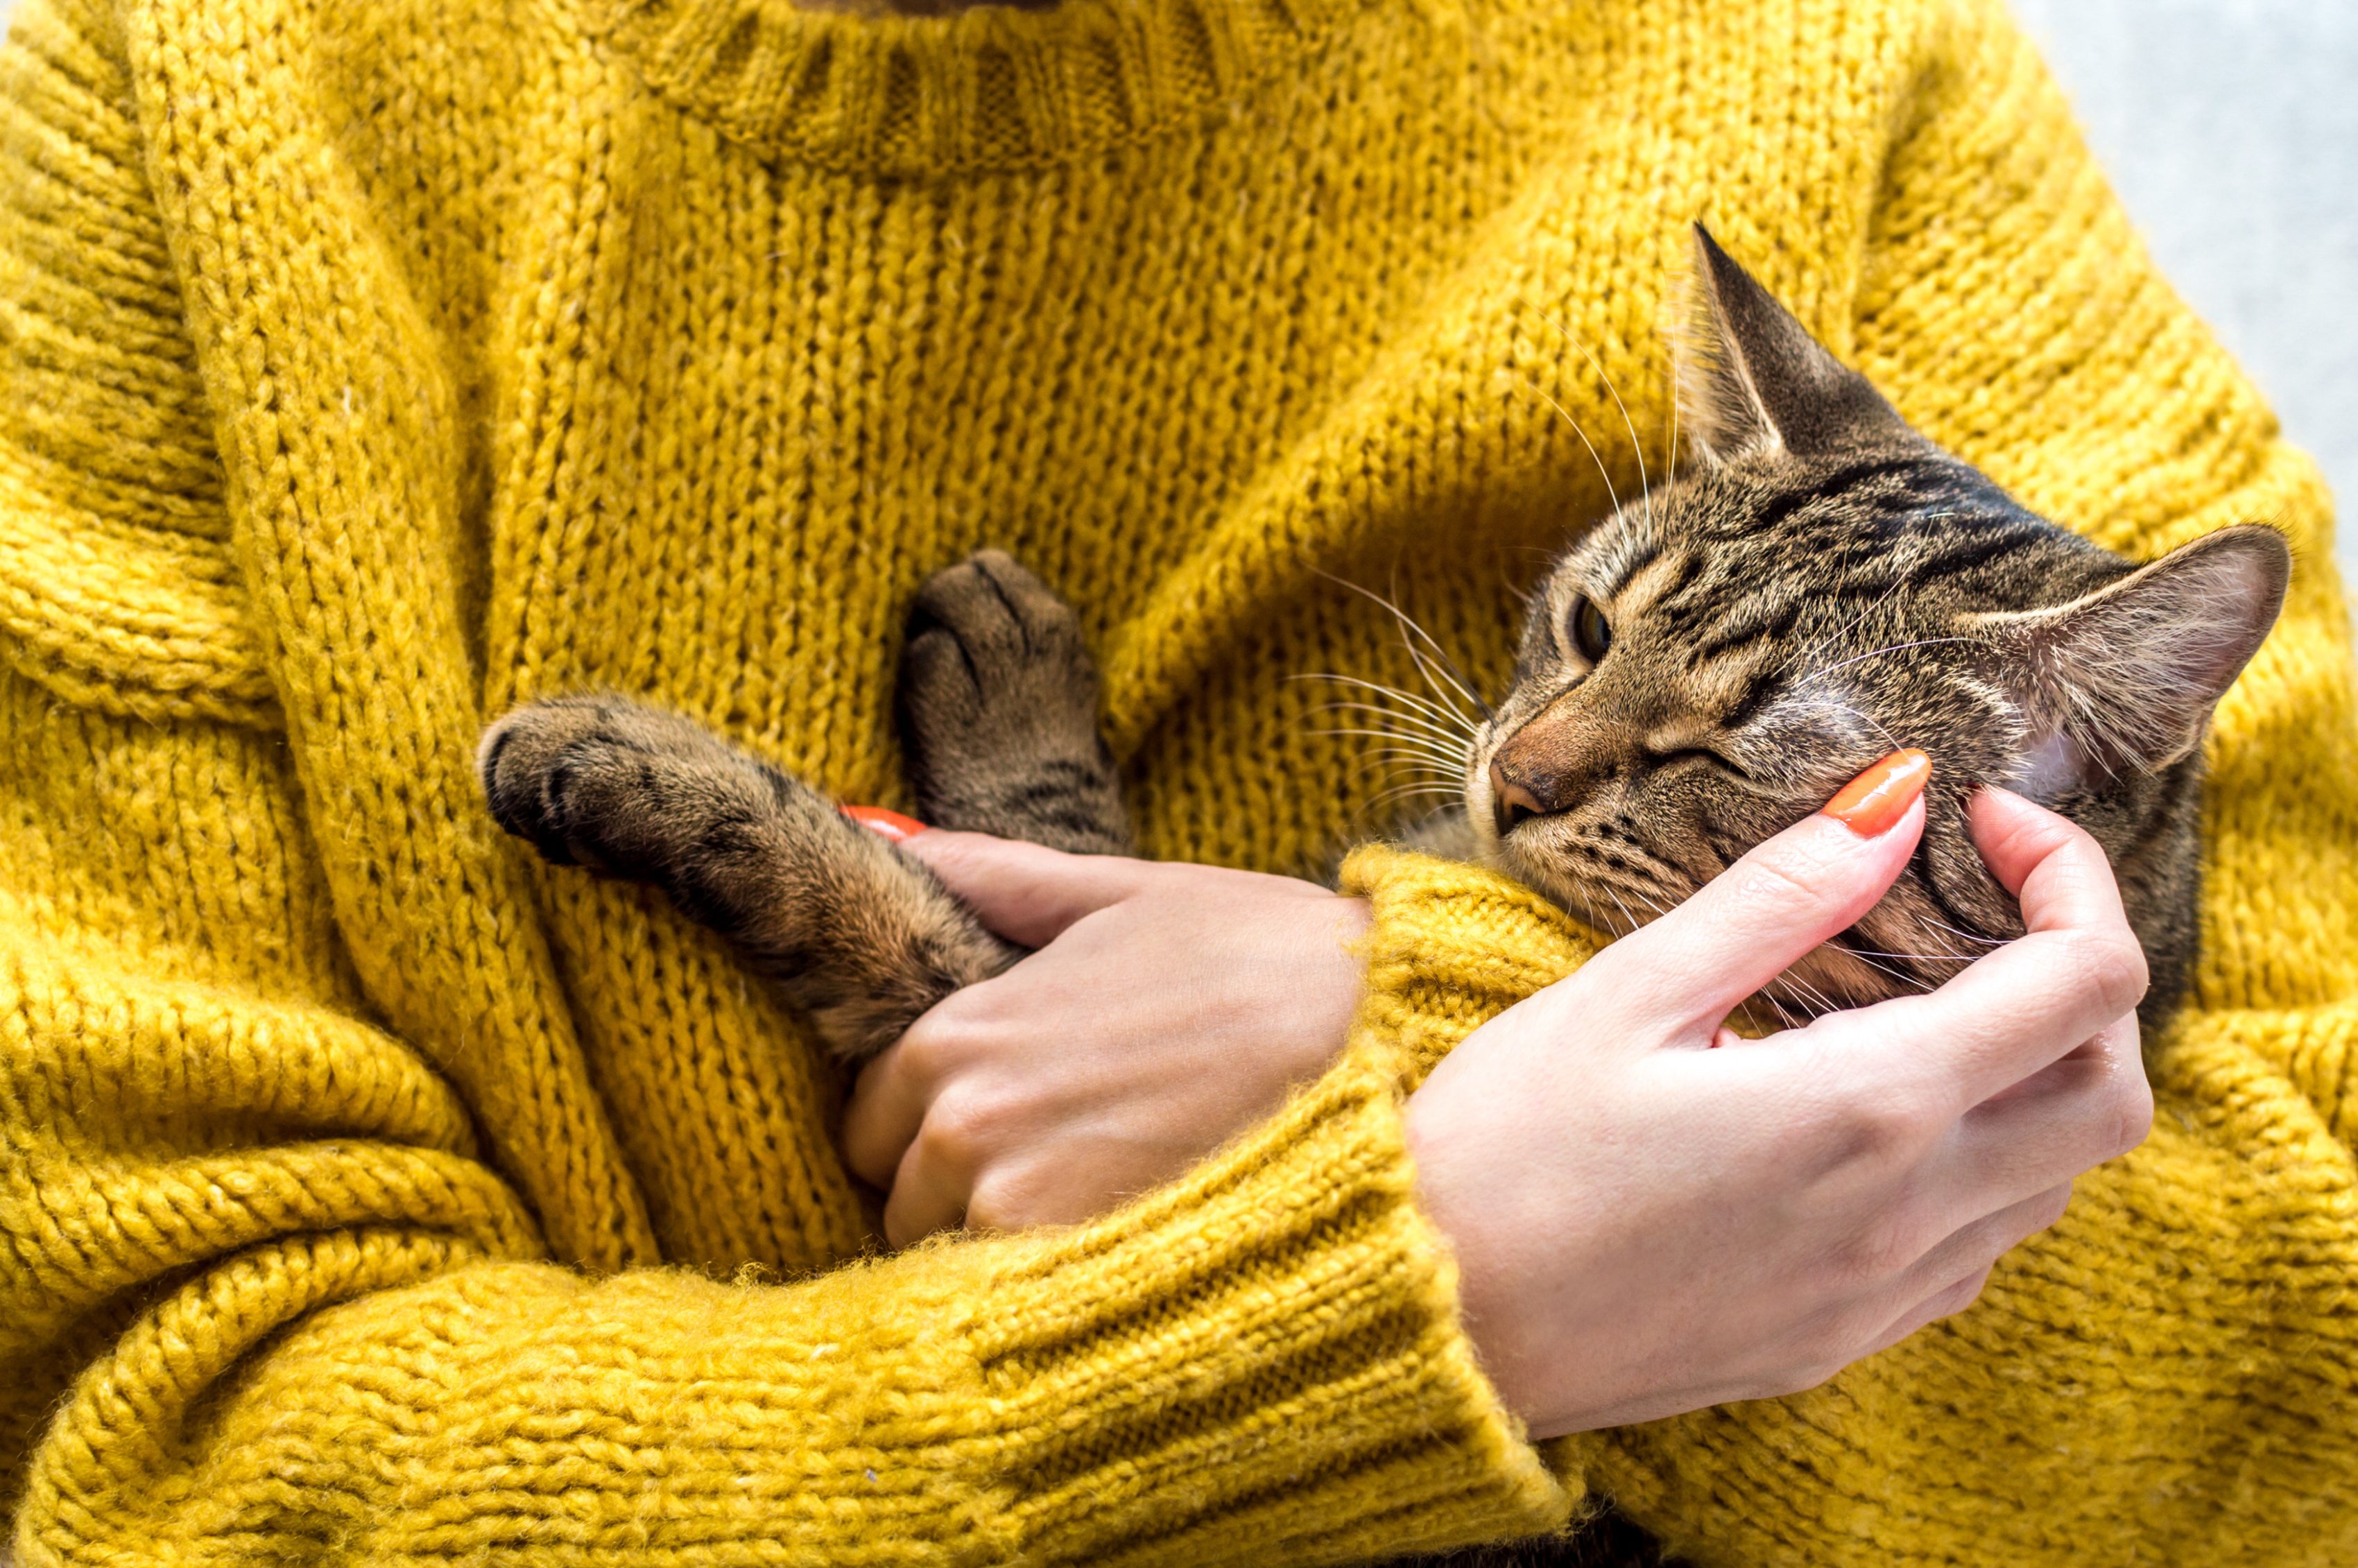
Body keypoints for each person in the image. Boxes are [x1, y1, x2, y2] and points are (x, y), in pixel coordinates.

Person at [0, 0, 2347, 1558]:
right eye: (1583, 649)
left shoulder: (1832, 62)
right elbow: (146, 1465)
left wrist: (1390, 1049)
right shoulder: (161, 92)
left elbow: (2312, 1330)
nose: (1527, 767)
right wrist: (1385, 1269)